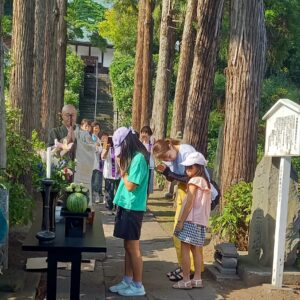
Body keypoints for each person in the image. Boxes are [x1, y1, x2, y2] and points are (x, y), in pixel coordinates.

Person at [152, 139, 204, 281]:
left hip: (193, 194)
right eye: (165, 159)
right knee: (180, 236)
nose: (168, 159)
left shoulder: (187, 152)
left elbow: (191, 178)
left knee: (188, 237)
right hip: (184, 192)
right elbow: (174, 177)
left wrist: (170, 173)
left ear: (170, 145)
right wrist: (165, 172)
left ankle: (191, 271)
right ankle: (185, 267)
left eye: (168, 156)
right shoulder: (173, 154)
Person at [108, 127, 149, 297]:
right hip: (126, 205)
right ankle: (128, 279)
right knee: (127, 246)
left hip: (133, 207)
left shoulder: (139, 158)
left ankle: (138, 285)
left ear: (127, 142)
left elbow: (131, 185)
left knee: (133, 247)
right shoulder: (133, 157)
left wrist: (122, 168)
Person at [172, 152, 211, 289]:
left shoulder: (194, 181)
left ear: (199, 167)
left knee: (185, 248)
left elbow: (189, 201)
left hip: (190, 220)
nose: (187, 169)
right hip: (200, 221)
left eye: (190, 167)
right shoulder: (205, 182)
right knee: (196, 250)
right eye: (186, 166)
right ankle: (197, 279)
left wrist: (181, 221)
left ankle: (186, 280)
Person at [101, 135, 120, 210]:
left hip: (117, 173)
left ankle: (117, 206)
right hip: (108, 174)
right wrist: (106, 149)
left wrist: (120, 168)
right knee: (109, 191)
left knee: (117, 190)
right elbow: (103, 157)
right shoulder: (105, 148)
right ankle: (109, 207)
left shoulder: (118, 148)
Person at [140, 126, 155, 195]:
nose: (144, 134)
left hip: (149, 166)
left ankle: (145, 201)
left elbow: (153, 155)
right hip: (141, 167)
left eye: (146, 132)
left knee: (148, 185)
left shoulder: (152, 144)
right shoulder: (139, 143)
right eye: (142, 132)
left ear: (149, 134)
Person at [90, 121, 103, 204]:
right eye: (95, 127)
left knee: (97, 180)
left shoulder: (99, 138)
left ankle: (96, 194)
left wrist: (99, 146)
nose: (96, 129)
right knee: (92, 179)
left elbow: (100, 150)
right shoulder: (90, 137)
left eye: (97, 128)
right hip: (91, 162)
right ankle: (92, 195)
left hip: (98, 162)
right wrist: (96, 146)